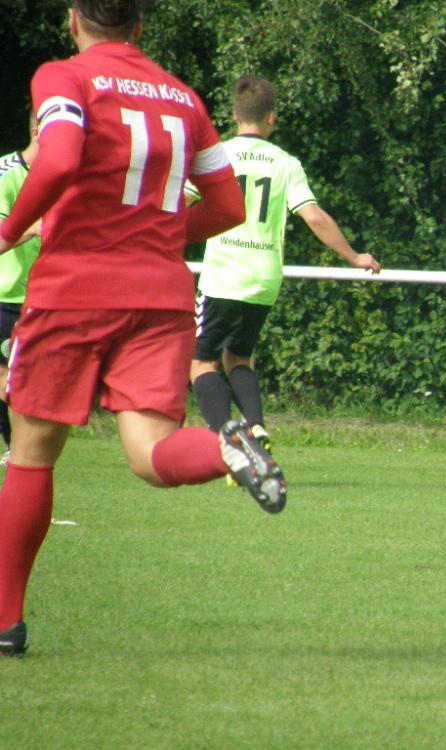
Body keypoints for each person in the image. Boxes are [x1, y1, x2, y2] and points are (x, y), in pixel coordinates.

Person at [0, 0, 286, 657]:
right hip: (160, 294)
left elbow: (59, 158)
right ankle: (227, 448)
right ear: (139, 26)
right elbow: (228, 206)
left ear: (73, 19)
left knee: (32, 453)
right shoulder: (184, 99)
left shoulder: (65, 76)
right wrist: (153, 236)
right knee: (152, 453)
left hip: (73, 289)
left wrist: (9, 232)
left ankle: (6, 621)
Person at [187, 74, 381, 450]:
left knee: (201, 363)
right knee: (239, 358)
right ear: (271, 117)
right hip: (264, 279)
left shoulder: (217, 155)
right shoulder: (285, 163)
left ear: (234, 115)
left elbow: (180, 202)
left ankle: (229, 443)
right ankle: (256, 427)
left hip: (223, 276)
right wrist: (354, 256)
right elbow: (315, 217)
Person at [0, 114, 43, 463]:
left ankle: (21, 451)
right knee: (7, 379)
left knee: (32, 382)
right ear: (36, 131)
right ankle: (17, 451)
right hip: (5, 295)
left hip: (44, 298)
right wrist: (33, 227)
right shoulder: (6, 174)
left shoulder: (66, 178)